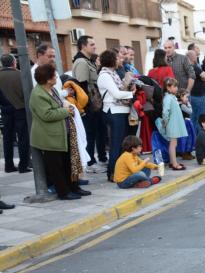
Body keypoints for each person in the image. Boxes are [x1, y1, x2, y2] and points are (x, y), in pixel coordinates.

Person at [30, 64, 90, 200]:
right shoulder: (38, 94)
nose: (57, 77)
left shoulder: (52, 90)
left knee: (68, 163)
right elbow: (47, 115)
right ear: (47, 79)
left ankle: (73, 187)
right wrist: (66, 111)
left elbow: (59, 104)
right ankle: (63, 192)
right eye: (54, 75)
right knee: (56, 167)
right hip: (49, 137)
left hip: (62, 134)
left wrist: (67, 106)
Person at [97, 50, 135, 182]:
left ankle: (121, 170)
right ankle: (112, 173)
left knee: (122, 144)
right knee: (116, 144)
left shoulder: (113, 73)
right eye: (118, 58)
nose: (121, 60)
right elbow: (117, 94)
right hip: (113, 111)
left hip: (121, 110)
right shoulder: (105, 75)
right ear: (111, 60)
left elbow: (121, 90)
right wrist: (132, 94)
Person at [72, 35, 106, 171]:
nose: (94, 46)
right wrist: (87, 107)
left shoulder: (88, 61)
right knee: (89, 134)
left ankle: (94, 160)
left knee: (95, 132)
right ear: (83, 46)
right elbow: (81, 86)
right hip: (88, 105)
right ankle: (90, 163)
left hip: (93, 104)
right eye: (91, 44)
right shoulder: (81, 62)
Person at [0, 54, 30, 173]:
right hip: (20, 109)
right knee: (23, 138)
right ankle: (23, 166)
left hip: (5, 109)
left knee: (7, 138)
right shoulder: (20, 74)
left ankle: (9, 166)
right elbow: (26, 92)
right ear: (13, 62)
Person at [159, 78, 188, 170]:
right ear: (168, 87)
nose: (176, 88)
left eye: (176, 86)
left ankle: (173, 162)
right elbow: (165, 112)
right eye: (174, 86)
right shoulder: (168, 98)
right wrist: (166, 122)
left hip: (174, 124)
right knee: (173, 144)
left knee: (173, 144)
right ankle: (175, 164)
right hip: (172, 124)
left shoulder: (172, 97)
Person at [188, 50, 205, 136]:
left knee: (193, 119)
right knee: (201, 119)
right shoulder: (193, 67)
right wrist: (202, 77)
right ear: (193, 57)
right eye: (196, 55)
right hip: (198, 96)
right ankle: (201, 138)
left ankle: (194, 140)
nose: (198, 55)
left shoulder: (187, 67)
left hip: (192, 96)